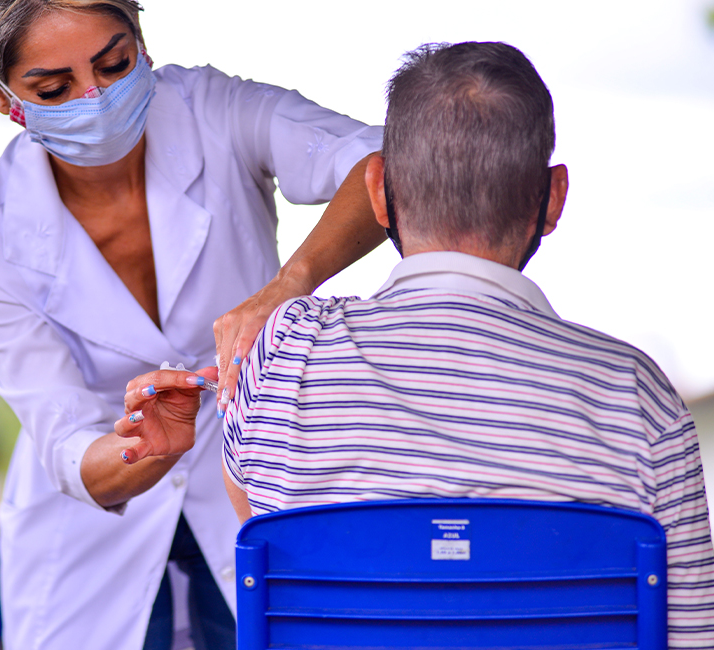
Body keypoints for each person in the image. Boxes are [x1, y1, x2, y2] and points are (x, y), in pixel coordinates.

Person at [118, 42, 714, 645]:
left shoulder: (283, 357)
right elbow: (689, 631)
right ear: (554, 198)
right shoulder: (635, 393)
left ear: (377, 191)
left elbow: (269, 553)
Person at [0, 1, 385, 649]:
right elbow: (64, 437)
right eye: (54, 88)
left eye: (114, 64)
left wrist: (286, 290)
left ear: (142, 43)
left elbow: (383, 163)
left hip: (256, 478)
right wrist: (142, 448)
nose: (94, 99)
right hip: (92, 525)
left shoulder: (216, 111)